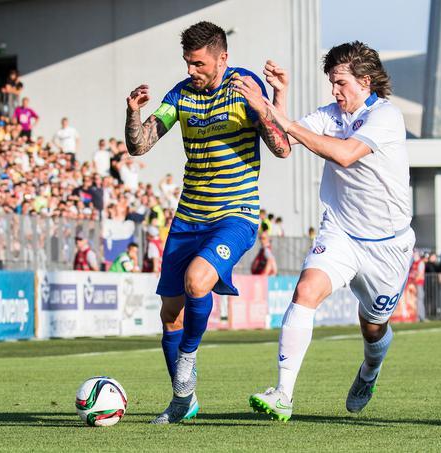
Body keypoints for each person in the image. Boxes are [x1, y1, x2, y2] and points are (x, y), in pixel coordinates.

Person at [124, 21, 289, 424]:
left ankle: (189, 360)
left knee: (198, 281)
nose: (191, 70)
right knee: (170, 315)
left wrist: (264, 107)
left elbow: (282, 148)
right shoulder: (180, 95)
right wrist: (133, 113)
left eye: (198, 63)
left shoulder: (246, 86)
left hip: (236, 214)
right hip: (188, 215)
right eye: (187, 62)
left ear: (222, 58)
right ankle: (184, 399)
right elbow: (139, 145)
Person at [243, 41, 414, 420]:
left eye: (341, 83)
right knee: (305, 291)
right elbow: (285, 141)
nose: (335, 92)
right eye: (332, 84)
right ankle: (283, 394)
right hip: (340, 231)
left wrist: (281, 117)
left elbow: (344, 154)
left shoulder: (386, 116)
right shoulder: (330, 114)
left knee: (372, 328)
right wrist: (278, 96)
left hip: (387, 246)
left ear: (365, 82)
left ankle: (369, 370)